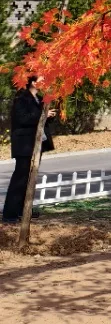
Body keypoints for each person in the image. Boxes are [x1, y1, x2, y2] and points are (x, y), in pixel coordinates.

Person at [2, 76, 54, 224]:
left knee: (29, 179)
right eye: (42, 80)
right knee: (20, 178)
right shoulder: (22, 98)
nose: (44, 83)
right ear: (33, 82)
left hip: (36, 143)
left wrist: (49, 116)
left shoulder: (39, 98)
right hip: (24, 144)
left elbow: (38, 120)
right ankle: (9, 214)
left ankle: (22, 211)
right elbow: (22, 119)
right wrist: (42, 114)